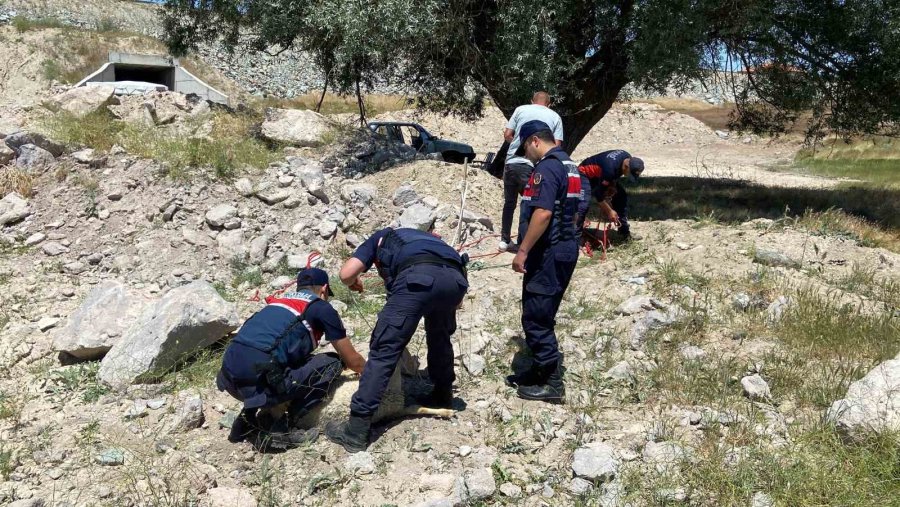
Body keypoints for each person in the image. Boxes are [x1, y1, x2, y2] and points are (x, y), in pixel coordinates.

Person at [326, 227, 469, 452]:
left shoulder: (381, 237)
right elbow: (456, 299)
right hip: (456, 281)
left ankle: (356, 430)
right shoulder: (434, 242)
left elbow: (346, 274)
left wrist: (354, 280)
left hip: (417, 279)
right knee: (440, 337)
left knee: (384, 349)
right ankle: (443, 395)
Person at [216, 268, 366, 451]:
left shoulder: (278, 303)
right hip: (259, 378)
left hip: (229, 376)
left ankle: (245, 422)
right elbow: (353, 362)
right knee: (333, 363)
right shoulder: (320, 307)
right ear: (324, 289)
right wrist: (372, 375)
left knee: (282, 361)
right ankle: (285, 427)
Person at [507, 120, 581, 403]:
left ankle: (552, 383)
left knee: (536, 316)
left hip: (548, 252)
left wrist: (523, 251)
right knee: (544, 310)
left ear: (535, 141)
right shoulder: (569, 165)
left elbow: (543, 214)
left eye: (526, 148)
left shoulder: (547, 168)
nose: (528, 155)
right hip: (564, 248)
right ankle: (539, 370)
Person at [499, 91, 564, 252]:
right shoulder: (555, 116)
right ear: (549, 104)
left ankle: (504, 240)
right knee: (528, 202)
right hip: (532, 164)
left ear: (531, 101)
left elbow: (508, 134)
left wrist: (519, 143)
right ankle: (524, 242)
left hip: (511, 162)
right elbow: (557, 145)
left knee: (509, 203)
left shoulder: (520, 110)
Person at [576, 150, 645, 241]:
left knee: (621, 197)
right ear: (626, 166)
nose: (628, 176)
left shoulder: (627, 157)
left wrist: (612, 185)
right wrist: (609, 211)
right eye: (630, 174)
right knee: (583, 206)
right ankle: (575, 239)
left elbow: (614, 174)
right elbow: (598, 195)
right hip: (584, 174)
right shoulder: (610, 168)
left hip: (601, 174)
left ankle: (624, 232)